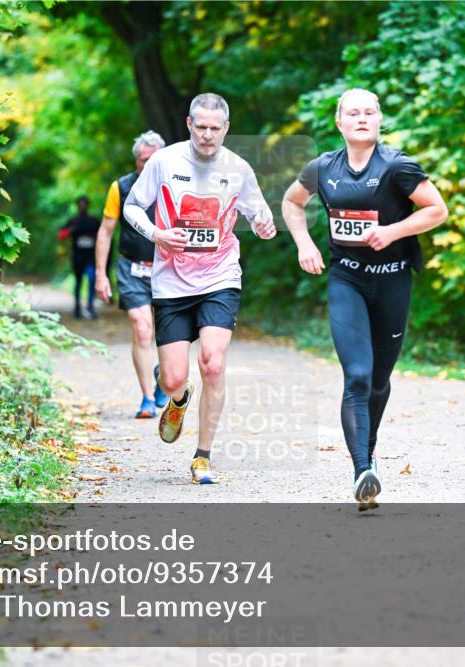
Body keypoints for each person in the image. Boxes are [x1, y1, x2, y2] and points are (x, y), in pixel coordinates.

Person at [281, 88, 448, 509]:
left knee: (378, 381)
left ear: (379, 120)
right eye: (353, 113)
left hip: (393, 280)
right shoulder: (323, 167)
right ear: (339, 123)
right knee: (357, 375)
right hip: (347, 280)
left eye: (369, 112)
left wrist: (392, 232)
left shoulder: (396, 166)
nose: (361, 118)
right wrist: (304, 244)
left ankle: (368, 452)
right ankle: (361, 471)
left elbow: (437, 210)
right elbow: (291, 202)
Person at [122, 92, 277, 484]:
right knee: (172, 379)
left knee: (213, 362)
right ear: (189, 124)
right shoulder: (164, 161)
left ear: (226, 128)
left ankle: (203, 456)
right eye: (201, 126)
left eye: (215, 128)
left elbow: (258, 211)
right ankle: (178, 397)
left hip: (220, 277)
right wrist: (157, 234)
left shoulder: (238, 168)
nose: (208, 135)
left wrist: (263, 223)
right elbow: (132, 206)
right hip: (171, 282)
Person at [95, 130, 171, 418]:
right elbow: (105, 231)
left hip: (167, 268)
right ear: (136, 160)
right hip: (131, 267)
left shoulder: (176, 185)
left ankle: (163, 377)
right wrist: (101, 274)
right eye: (142, 160)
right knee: (142, 328)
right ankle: (147, 399)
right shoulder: (121, 187)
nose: (146, 165)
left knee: (169, 333)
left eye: (152, 160)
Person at [59, 196, 101, 319]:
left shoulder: (94, 221)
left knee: (92, 279)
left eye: (85, 204)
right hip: (77, 256)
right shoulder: (73, 221)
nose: (82, 206)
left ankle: (90, 306)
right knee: (78, 281)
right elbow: (60, 235)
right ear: (77, 206)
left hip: (91, 256)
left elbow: (103, 235)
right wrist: (71, 231)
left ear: (88, 205)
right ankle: (77, 307)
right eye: (80, 204)